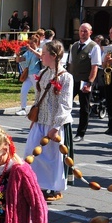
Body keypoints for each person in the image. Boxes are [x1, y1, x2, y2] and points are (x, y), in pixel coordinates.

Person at [23, 40, 74, 202]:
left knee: (53, 158)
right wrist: (34, 118)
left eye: (44, 53)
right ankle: (37, 184)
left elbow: (65, 104)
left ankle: (53, 188)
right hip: (40, 121)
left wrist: (57, 126)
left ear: (53, 56)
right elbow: (38, 97)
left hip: (54, 124)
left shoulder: (66, 77)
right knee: (32, 151)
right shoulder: (44, 73)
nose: (41, 56)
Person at [67, 23, 101, 141]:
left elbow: (94, 67)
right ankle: (64, 129)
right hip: (73, 79)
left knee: (84, 107)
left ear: (90, 32)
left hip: (85, 80)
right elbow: (70, 64)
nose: (83, 33)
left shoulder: (94, 47)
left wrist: (89, 83)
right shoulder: (74, 46)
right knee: (65, 104)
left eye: (85, 31)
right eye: (81, 31)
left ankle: (81, 133)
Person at [15, 34, 42, 116]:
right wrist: (17, 55)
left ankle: (38, 108)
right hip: (28, 75)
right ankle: (23, 108)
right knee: (23, 91)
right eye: (29, 43)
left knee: (37, 92)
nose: (30, 45)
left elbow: (40, 56)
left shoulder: (39, 49)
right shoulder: (27, 52)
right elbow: (19, 60)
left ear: (37, 43)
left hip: (35, 74)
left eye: (32, 43)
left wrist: (31, 49)